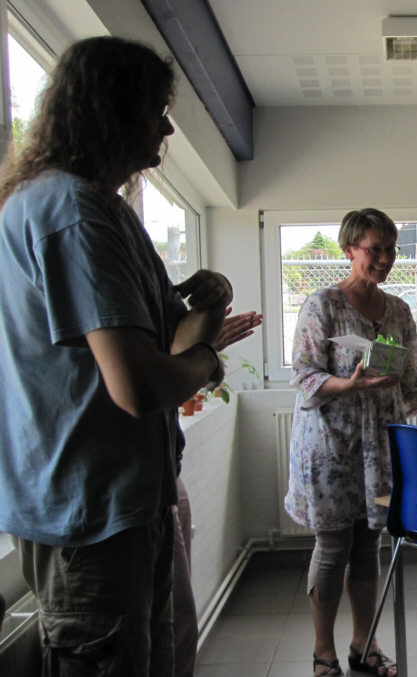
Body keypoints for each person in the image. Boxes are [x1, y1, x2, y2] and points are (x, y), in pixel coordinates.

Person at [0, 36, 233, 676]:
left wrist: (209, 308)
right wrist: (208, 360)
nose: (166, 129)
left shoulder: (105, 212)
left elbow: (167, 344)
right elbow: (139, 386)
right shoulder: (73, 213)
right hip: (90, 517)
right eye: (157, 111)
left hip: (122, 507)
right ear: (115, 112)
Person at [284, 208, 417, 677]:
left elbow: (413, 383)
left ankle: (364, 643)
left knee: (369, 545)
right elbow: (304, 375)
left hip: (380, 450)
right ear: (349, 250)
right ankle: (324, 652)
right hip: (330, 450)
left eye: (390, 249)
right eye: (374, 249)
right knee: (333, 547)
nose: (385, 258)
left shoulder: (398, 310)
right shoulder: (323, 305)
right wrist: (350, 384)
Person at [173, 308, 262, 677]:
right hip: (119, 496)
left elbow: (205, 377)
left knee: (178, 623)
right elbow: (140, 389)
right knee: (168, 625)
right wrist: (205, 351)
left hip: (163, 474)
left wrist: (206, 351)